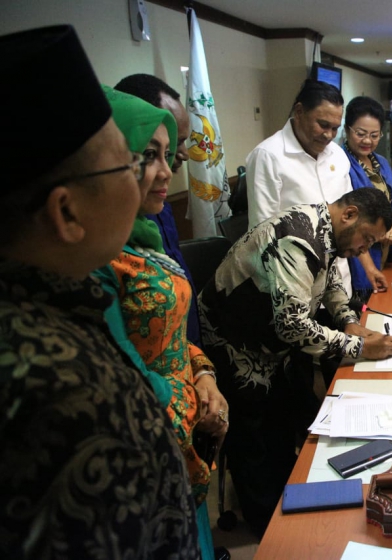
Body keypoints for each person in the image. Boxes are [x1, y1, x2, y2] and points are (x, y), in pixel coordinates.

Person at [0, 25, 198, 557]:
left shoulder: (58, 300)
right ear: (66, 212)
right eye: (131, 163)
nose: (152, 178)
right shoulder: (64, 391)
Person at [198, 188, 392, 536]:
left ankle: (285, 497)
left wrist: (348, 320)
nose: (364, 250)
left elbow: (328, 279)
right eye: (367, 239)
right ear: (349, 214)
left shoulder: (327, 230)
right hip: (235, 345)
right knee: (255, 443)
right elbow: (292, 326)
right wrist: (358, 347)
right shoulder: (297, 238)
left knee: (285, 425)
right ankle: (269, 529)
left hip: (270, 345)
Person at [92, 87, 229, 560]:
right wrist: (191, 405)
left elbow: (169, 331)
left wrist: (204, 374)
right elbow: (120, 377)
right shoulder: (93, 257)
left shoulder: (144, 231)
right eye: (149, 156)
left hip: (183, 431)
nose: (169, 171)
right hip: (146, 446)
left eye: (168, 155)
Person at [114, 73, 203, 345]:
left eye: (169, 148)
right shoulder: (107, 241)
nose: (183, 153)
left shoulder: (158, 204)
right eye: (151, 153)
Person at [245, 79, 353, 292]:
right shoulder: (268, 155)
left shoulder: (337, 154)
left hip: (339, 279)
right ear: (299, 111)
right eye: (323, 125)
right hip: (294, 284)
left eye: (335, 128)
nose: (329, 135)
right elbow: (262, 233)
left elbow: (350, 212)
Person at [343, 96, 392, 301]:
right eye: (360, 134)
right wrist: (381, 233)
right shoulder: (340, 163)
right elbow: (346, 217)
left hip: (386, 253)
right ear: (347, 130)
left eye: (374, 135)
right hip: (358, 256)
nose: (368, 141)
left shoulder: (381, 162)